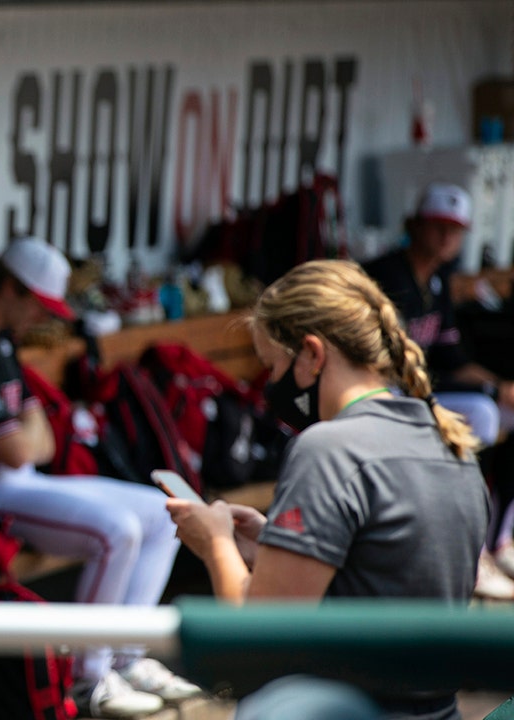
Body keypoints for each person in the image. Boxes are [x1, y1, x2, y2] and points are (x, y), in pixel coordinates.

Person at [167, 259, 488, 719]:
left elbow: (257, 639)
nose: (270, 385)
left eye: (273, 366)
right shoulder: (452, 444)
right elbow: (383, 582)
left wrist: (214, 542)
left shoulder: (328, 449)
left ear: (312, 355)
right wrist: (275, 544)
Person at [0, 237, 201, 719]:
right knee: (117, 532)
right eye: (39, 305)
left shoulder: (0, 338)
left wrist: (10, 437)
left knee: (164, 512)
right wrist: (16, 438)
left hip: (15, 479)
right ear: (11, 288)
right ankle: (89, 676)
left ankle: (125, 659)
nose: (43, 318)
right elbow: (19, 449)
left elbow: (38, 440)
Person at [362, 183, 514, 596]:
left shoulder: (437, 281)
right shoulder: (387, 276)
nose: (446, 237)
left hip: (421, 390)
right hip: (384, 393)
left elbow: (452, 359)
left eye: (455, 229)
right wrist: (490, 389)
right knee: (482, 411)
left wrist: (501, 387)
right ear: (415, 226)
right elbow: (392, 368)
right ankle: (461, 545)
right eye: (438, 226)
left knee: (493, 412)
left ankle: (495, 539)